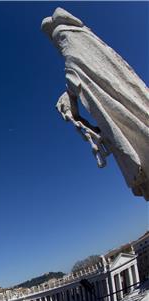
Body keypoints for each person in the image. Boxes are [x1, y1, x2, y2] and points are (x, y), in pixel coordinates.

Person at [42, 8, 149, 200]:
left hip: (118, 85)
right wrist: (69, 96)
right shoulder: (73, 66)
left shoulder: (82, 52)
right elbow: (76, 92)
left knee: (136, 115)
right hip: (92, 79)